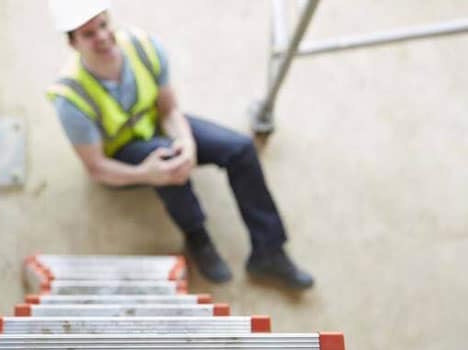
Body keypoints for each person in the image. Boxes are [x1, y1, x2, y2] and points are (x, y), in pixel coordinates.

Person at [46, 0, 314, 289]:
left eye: (103, 24)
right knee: (166, 164)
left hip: (158, 126)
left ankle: (269, 250)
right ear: (72, 44)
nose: (102, 37)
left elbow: (169, 110)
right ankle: (197, 236)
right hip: (122, 156)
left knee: (240, 149)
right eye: (88, 34)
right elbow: (96, 167)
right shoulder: (70, 98)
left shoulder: (144, 47)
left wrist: (187, 143)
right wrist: (145, 174)